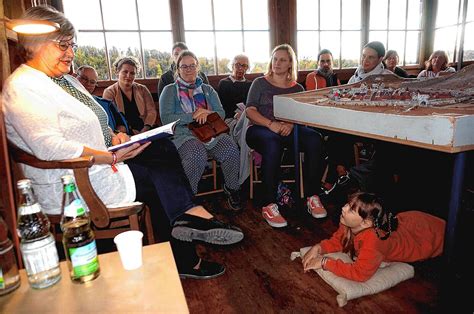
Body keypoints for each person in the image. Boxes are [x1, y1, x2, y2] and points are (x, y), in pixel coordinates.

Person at [3, 5, 243, 280]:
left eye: (73, 45)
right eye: (63, 45)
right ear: (34, 42)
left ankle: (186, 219)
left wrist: (116, 138)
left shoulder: (67, 81)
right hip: (76, 180)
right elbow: (50, 147)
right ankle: (187, 232)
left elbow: (99, 121)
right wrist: (112, 157)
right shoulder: (23, 88)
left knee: (162, 147)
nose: (71, 53)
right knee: (159, 179)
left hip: (103, 161)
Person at [245, 44, 326, 228]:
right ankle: (268, 204)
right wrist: (271, 124)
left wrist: (290, 123)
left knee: (315, 139)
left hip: (288, 129)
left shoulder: (297, 88)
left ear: (291, 64)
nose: (277, 63)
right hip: (260, 129)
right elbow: (250, 111)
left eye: (282, 60)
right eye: (275, 59)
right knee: (272, 142)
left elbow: (301, 114)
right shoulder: (259, 83)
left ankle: (312, 196)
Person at [159, 50, 242, 211]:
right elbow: (167, 119)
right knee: (196, 153)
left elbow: (221, 113)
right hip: (183, 135)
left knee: (230, 147)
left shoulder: (207, 89)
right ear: (178, 69)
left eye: (192, 65)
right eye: (184, 66)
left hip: (210, 133)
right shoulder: (169, 90)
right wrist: (194, 115)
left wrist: (207, 113)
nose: (189, 69)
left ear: (198, 67)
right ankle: (188, 198)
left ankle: (232, 188)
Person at [302, 192, 445, 282]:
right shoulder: (347, 222)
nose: (343, 208)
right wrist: (318, 247)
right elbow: (339, 240)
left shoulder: (374, 241)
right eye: (347, 204)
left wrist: (325, 262)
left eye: (351, 209)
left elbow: (360, 273)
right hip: (410, 221)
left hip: (426, 235)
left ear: (365, 223)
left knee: (450, 235)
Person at [103, 56, 157, 135]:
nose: (128, 76)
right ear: (117, 72)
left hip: (146, 130)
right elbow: (111, 118)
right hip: (123, 132)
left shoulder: (142, 89)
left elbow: (151, 112)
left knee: (166, 144)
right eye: (125, 72)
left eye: (132, 73)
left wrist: (145, 129)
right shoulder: (109, 92)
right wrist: (130, 131)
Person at [76, 65, 129, 134]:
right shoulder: (64, 102)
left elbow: (122, 125)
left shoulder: (106, 104)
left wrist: (114, 134)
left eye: (92, 82)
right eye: (84, 78)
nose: (88, 84)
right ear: (74, 77)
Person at [217, 54, 252, 121]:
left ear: (247, 68)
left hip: (248, 116)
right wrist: (235, 115)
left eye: (244, 66)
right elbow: (222, 106)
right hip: (230, 118)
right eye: (237, 65)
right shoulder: (224, 83)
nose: (240, 68)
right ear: (232, 66)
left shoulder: (250, 84)